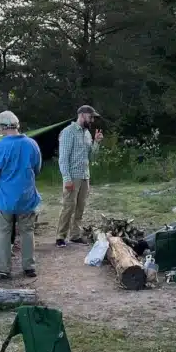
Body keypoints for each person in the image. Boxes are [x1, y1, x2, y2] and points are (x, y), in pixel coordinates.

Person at [0, 110, 42, 278]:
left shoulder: (1, 146)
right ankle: (29, 267)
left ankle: (3, 269)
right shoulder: (31, 144)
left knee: (3, 232)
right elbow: (37, 169)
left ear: (2, 127)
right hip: (27, 197)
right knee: (27, 231)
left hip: (5, 199)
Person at [56, 104, 104, 247]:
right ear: (82, 115)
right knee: (68, 206)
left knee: (80, 207)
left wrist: (97, 142)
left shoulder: (87, 134)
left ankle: (75, 235)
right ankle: (60, 236)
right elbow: (63, 158)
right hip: (72, 176)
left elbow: (92, 157)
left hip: (85, 176)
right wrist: (67, 178)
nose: (92, 121)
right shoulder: (68, 132)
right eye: (90, 117)